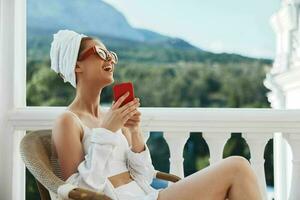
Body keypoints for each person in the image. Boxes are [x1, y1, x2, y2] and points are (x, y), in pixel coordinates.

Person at [50, 30, 263, 200]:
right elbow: (77, 192)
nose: (111, 60)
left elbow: (145, 175)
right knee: (237, 167)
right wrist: (107, 132)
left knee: (237, 173)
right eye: (101, 53)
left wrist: (134, 134)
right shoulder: (68, 121)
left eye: (112, 55)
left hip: (147, 194)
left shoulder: (114, 116)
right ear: (76, 65)